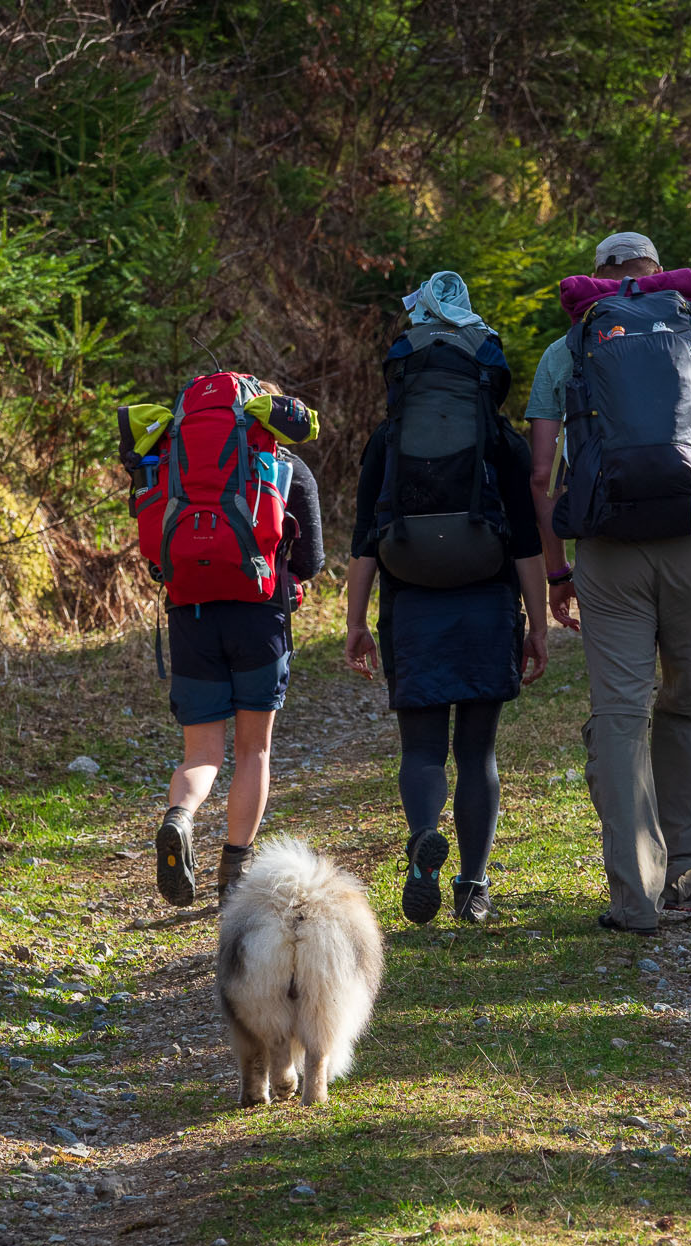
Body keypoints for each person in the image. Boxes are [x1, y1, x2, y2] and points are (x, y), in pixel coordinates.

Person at [526, 231, 691, 936]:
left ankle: (634, 898)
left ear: (603, 275)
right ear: (656, 271)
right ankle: (686, 876)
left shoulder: (570, 346)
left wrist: (556, 570)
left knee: (619, 713)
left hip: (607, 552)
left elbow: (541, 475)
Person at [345, 272, 549, 925]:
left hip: (411, 604)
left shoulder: (387, 440)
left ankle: (418, 849)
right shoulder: (501, 441)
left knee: (423, 749)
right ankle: (474, 886)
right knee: (477, 751)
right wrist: (538, 626)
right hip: (486, 603)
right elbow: (525, 544)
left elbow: (363, 544)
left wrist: (355, 624)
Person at [147, 382, 324, 908]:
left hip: (192, 614)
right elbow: (310, 561)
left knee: (201, 752)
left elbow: (157, 548)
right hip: (259, 616)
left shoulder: (174, 459)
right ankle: (234, 869)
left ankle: (179, 818)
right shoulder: (288, 467)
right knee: (254, 749)